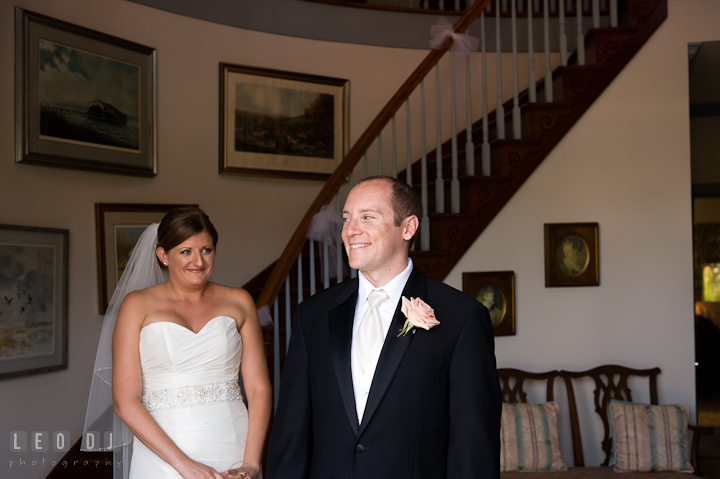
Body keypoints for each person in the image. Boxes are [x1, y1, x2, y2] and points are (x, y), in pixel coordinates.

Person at [267, 176, 501, 479]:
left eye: (367, 217)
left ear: (408, 227)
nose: (350, 230)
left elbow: (473, 442)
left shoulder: (463, 317)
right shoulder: (312, 315)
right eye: (347, 218)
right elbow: (291, 431)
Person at [82, 207, 271, 479]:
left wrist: (252, 462)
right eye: (186, 251)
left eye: (206, 250)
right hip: (163, 458)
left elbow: (259, 388)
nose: (199, 261)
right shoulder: (137, 305)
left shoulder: (239, 301)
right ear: (163, 255)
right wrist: (184, 465)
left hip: (234, 449)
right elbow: (125, 401)